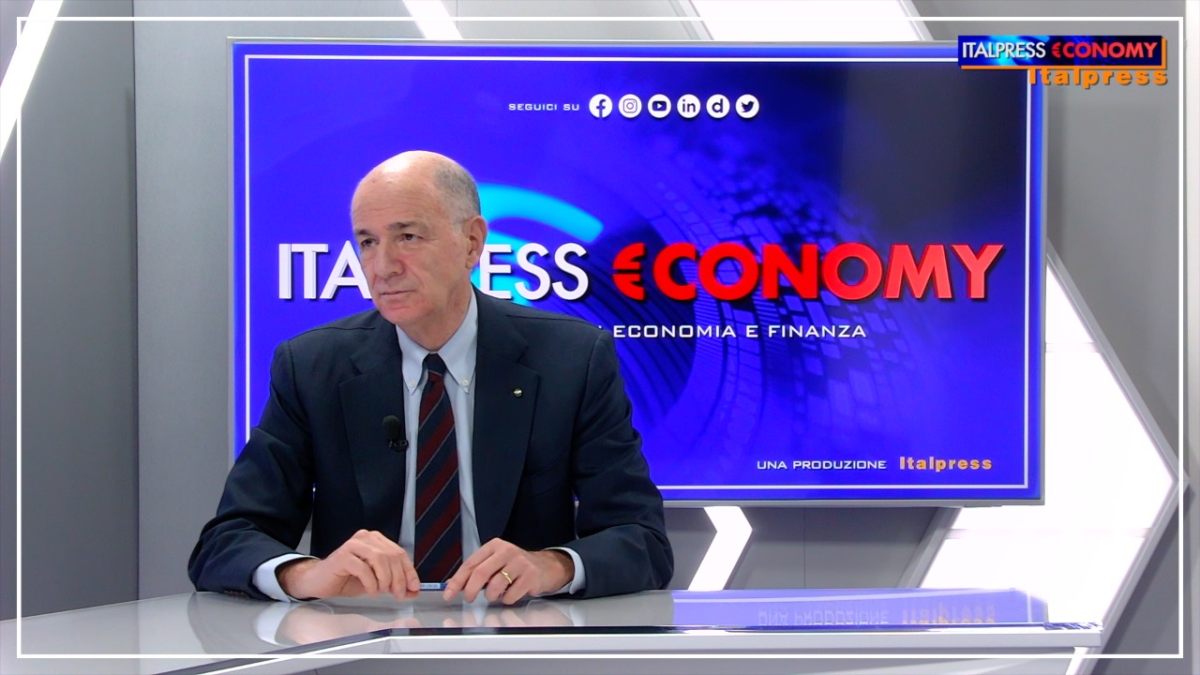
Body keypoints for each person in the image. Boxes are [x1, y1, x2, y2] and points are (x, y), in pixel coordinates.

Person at [188, 151, 673, 605]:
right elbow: (225, 542)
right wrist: (304, 575)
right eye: (368, 242)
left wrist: (551, 567)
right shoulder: (312, 366)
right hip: (363, 639)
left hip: (519, 634)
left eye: (408, 237)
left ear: (472, 243)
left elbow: (642, 540)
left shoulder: (571, 360)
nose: (382, 267)